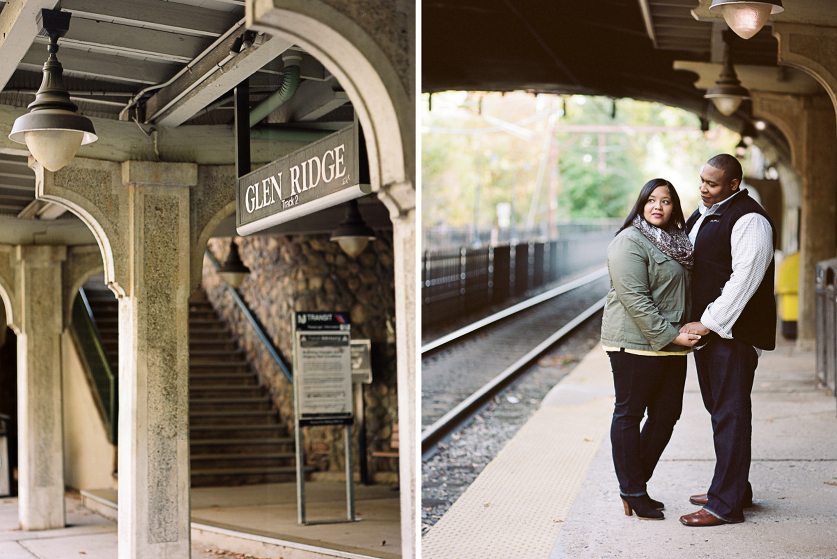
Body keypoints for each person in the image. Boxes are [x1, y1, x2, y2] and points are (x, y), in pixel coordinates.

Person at [679, 154, 776, 527]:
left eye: (713, 183)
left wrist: (705, 323)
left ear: (734, 184)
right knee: (722, 414)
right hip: (714, 336)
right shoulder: (708, 211)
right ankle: (735, 488)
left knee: (731, 416)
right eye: (702, 180)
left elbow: (745, 281)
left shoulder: (750, 219)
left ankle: (725, 504)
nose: (703, 188)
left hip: (732, 336)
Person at [601, 178, 701, 520]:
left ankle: (634, 481)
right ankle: (633, 490)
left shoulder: (679, 243)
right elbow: (635, 300)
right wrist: (673, 335)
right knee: (629, 414)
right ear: (641, 204)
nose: (658, 206)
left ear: (675, 208)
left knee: (666, 415)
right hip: (633, 344)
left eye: (667, 201)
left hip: (671, 345)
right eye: (652, 200)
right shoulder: (629, 241)